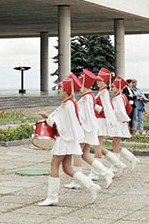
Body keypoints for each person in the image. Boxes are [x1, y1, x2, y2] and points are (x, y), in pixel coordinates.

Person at [37, 75, 101, 206]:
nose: (58, 90)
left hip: (64, 139)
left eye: (60, 88)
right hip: (69, 139)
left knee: (54, 166)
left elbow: (61, 124)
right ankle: (91, 186)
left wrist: (47, 117)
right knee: (67, 168)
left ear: (66, 90)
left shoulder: (67, 105)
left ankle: (52, 197)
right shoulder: (69, 103)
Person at [93, 67, 127, 174]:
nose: (98, 82)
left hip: (101, 121)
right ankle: (118, 164)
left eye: (100, 80)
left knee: (97, 147)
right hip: (98, 120)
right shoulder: (102, 91)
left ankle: (96, 172)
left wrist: (94, 106)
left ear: (105, 81)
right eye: (97, 80)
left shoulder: (104, 92)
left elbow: (107, 109)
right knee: (98, 146)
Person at [111, 76, 140, 168]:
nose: (111, 89)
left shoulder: (119, 98)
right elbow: (128, 108)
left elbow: (120, 111)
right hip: (120, 122)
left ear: (118, 87)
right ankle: (131, 158)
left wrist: (122, 118)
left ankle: (116, 165)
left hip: (118, 122)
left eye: (113, 87)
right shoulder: (122, 96)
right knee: (115, 143)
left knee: (115, 143)